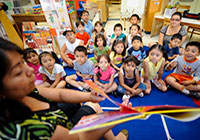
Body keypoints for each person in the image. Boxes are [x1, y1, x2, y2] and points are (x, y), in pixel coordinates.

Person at [0, 38, 128, 140]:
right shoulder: (31, 130)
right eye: (18, 72)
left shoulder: (28, 91)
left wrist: (88, 96)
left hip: (61, 120)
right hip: (69, 132)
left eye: (23, 63)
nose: (29, 70)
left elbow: (59, 94)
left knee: (80, 102)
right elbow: (78, 137)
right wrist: (116, 116)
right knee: (94, 107)